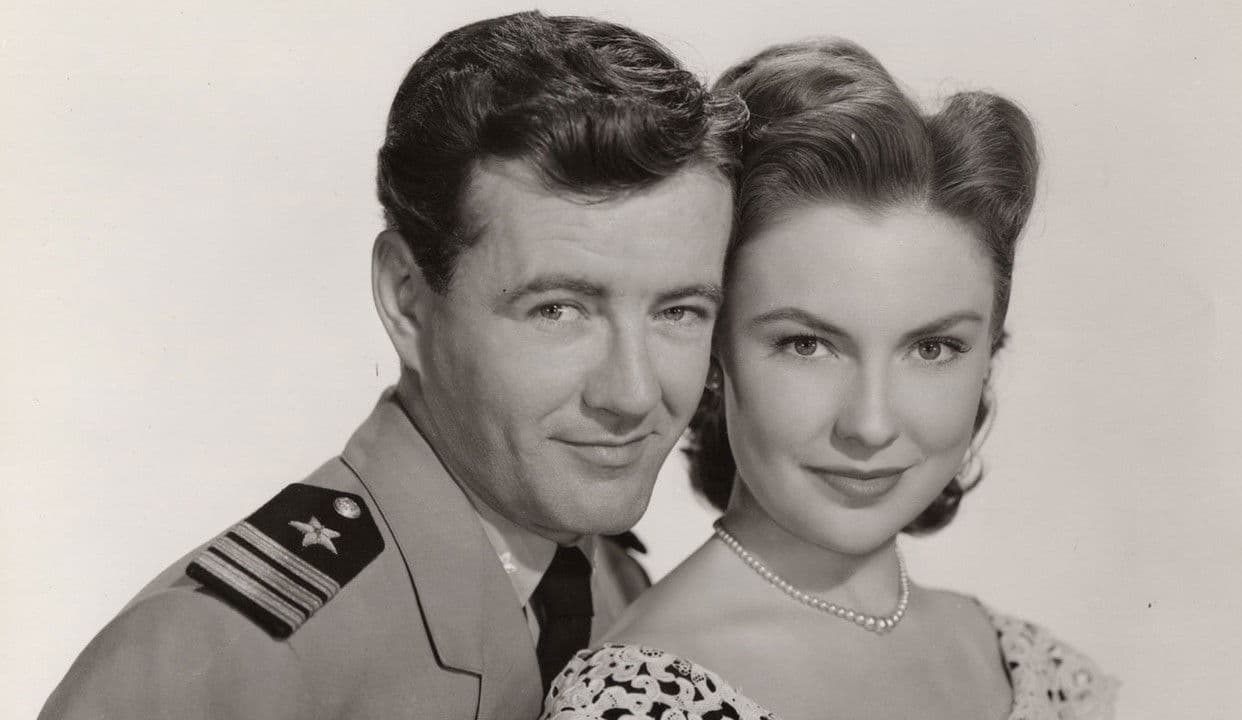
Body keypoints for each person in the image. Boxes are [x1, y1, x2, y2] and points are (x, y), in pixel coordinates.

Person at [40, 11, 745, 720]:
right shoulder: (223, 657)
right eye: (558, 310)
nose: (632, 393)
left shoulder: (615, 590)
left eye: (678, 311)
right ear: (407, 299)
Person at [542, 39, 1117, 720]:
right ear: (715, 352)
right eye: (807, 345)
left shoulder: (1045, 673)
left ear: (989, 355)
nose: (870, 425)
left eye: (933, 348)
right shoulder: (634, 702)